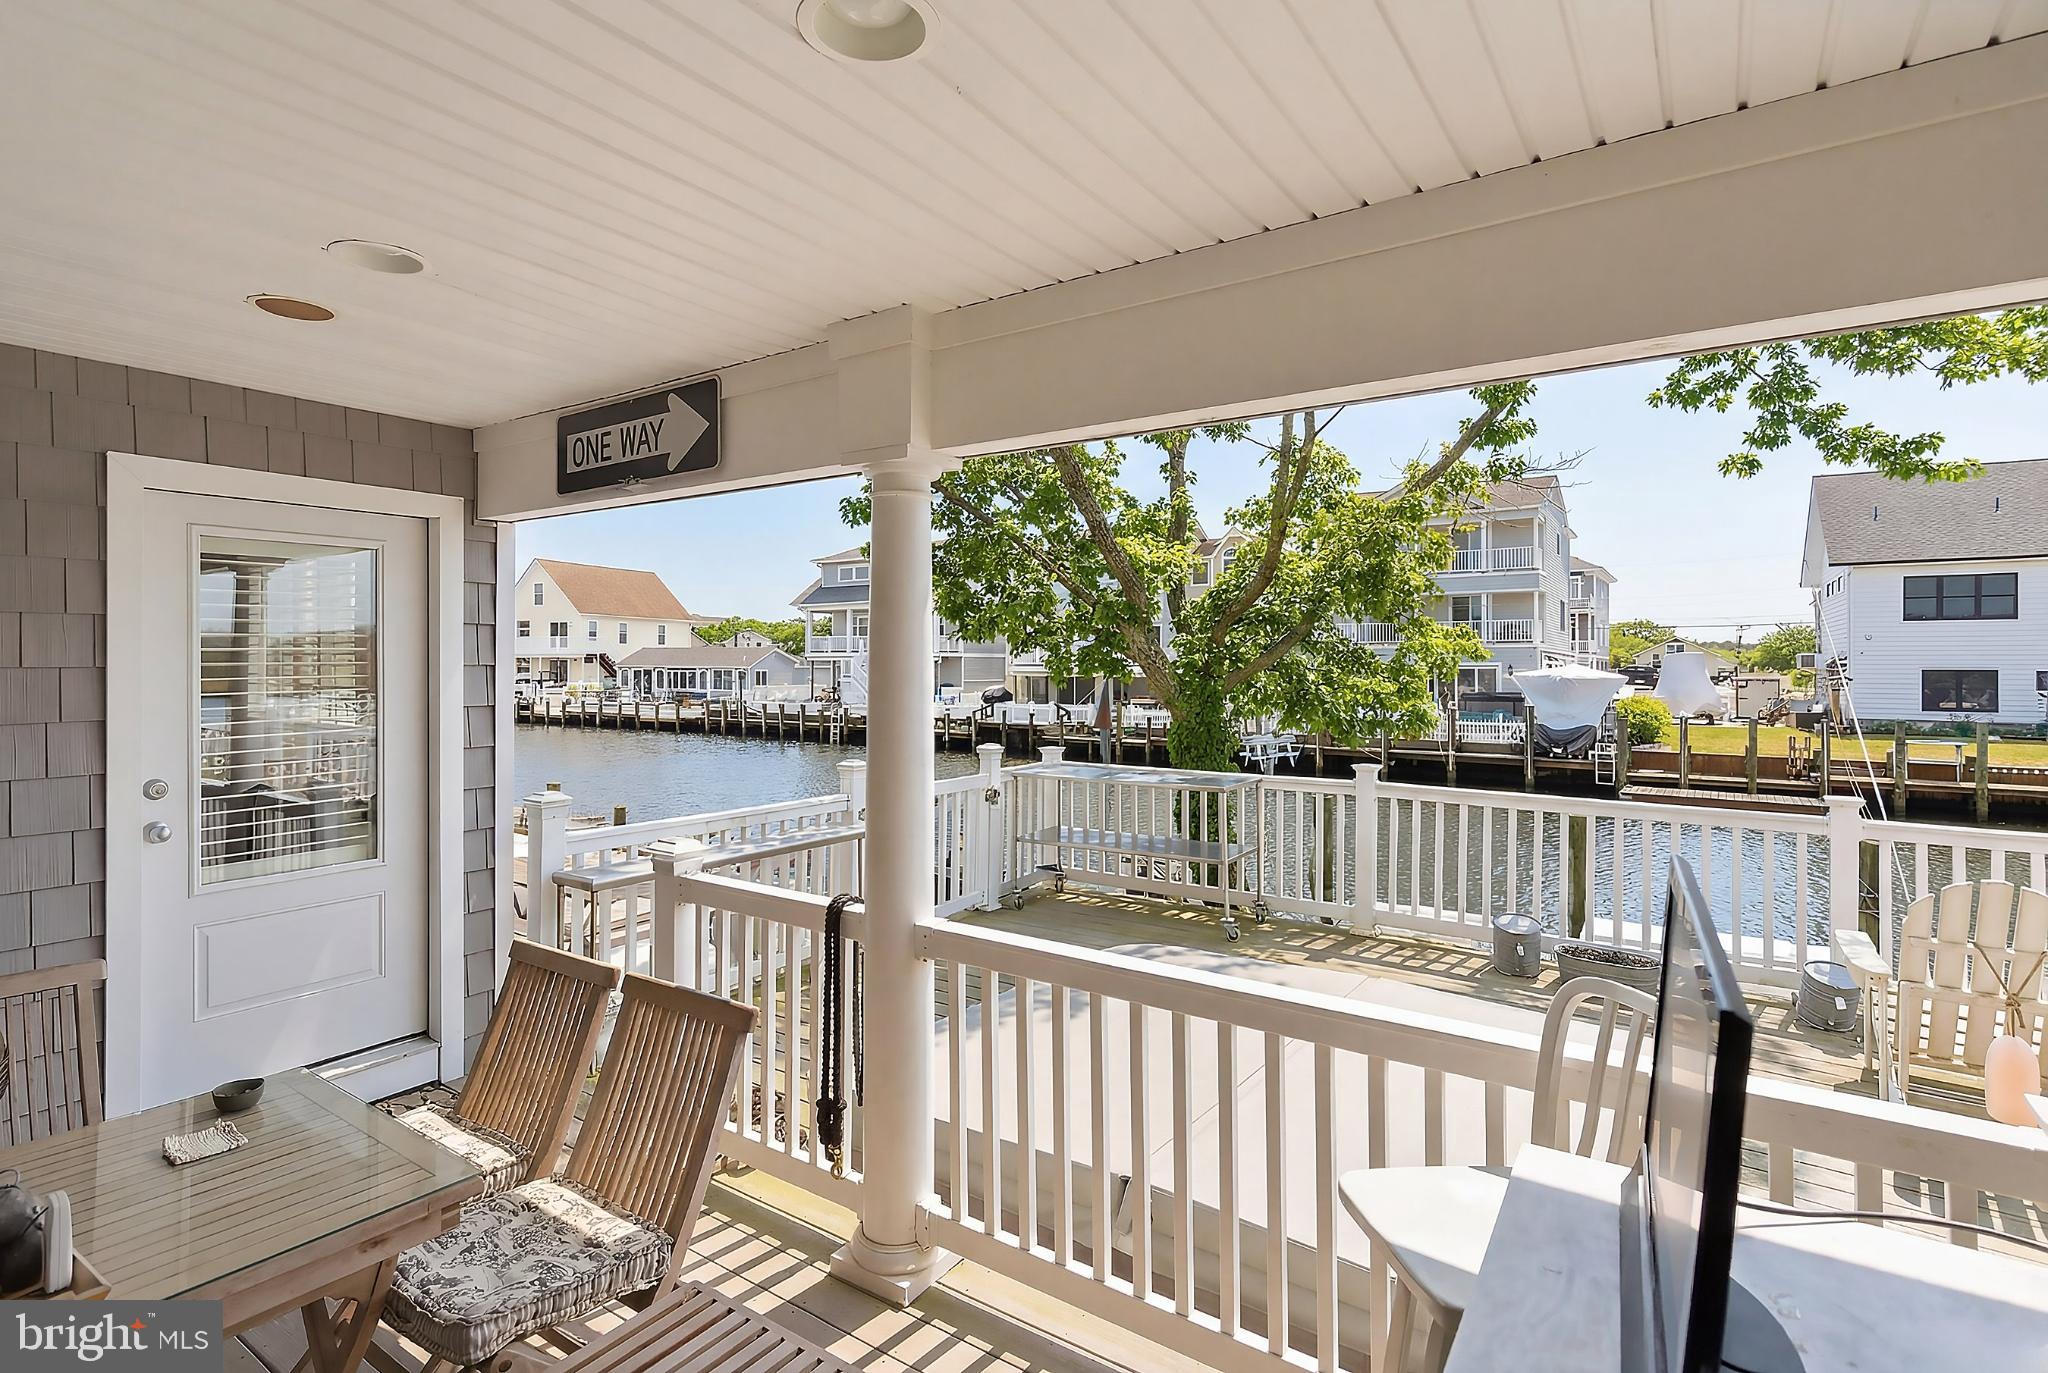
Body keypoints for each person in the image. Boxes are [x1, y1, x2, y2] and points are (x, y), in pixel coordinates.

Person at [1094, 683, 1115, 764]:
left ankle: (1105, 760)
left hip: (1105, 726)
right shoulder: (1101, 702)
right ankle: (1104, 759)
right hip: (1104, 725)